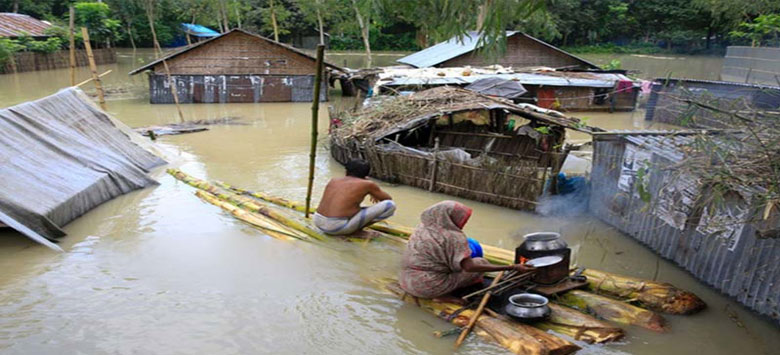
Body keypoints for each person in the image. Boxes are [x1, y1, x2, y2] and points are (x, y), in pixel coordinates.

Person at [399, 201, 534, 302]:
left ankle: (437, 289)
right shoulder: (453, 237)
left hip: (406, 280)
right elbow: (469, 267)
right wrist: (512, 267)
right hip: (427, 287)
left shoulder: (422, 228)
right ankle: (441, 295)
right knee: (480, 262)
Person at [314, 159, 396, 236]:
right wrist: (372, 189)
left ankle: (350, 227)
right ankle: (356, 231)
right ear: (366, 174)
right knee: (390, 205)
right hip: (336, 227)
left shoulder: (334, 180)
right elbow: (387, 198)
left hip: (318, 220)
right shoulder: (367, 184)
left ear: (346, 170)